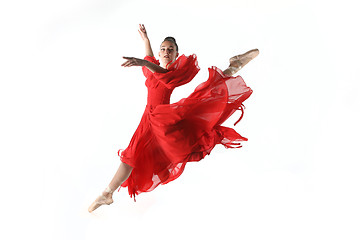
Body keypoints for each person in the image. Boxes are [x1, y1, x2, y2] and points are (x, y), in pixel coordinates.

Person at [88, 24, 259, 212]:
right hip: (149, 118)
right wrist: (146, 40)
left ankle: (233, 66)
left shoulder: (171, 74)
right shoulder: (150, 69)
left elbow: (159, 71)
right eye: (163, 49)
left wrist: (145, 63)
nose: (166, 52)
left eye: (171, 50)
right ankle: (107, 194)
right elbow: (149, 60)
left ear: (177, 55)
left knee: (203, 97)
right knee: (131, 155)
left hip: (162, 119)